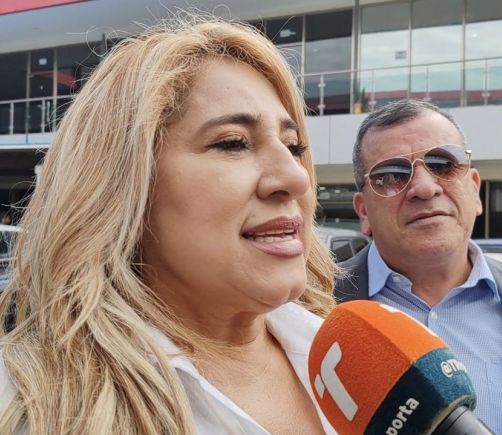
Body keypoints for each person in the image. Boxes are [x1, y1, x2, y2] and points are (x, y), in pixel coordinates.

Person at [0, 18, 339, 434]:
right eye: (233, 143)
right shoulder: (26, 408)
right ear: (126, 186)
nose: (296, 178)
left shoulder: (369, 358)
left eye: (293, 147)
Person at [334, 99, 502, 434]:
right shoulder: (311, 309)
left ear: (475, 190)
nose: (424, 188)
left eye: (443, 164)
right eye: (392, 175)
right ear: (363, 212)